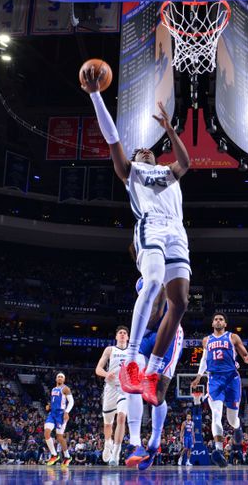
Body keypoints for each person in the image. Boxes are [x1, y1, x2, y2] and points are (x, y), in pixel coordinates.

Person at [82, 68, 191, 406]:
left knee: (181, 303)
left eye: (148, 149)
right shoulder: (132, 171)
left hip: (177, 230)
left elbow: (185, 162)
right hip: (151, 225)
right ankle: (131, 359)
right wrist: (95, 94)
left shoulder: (168, 171)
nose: (143, 149)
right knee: (155, 280)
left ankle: (153, 371)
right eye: (139, 149)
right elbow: (113, 138)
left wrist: (171, 130)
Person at [124, 275, 184, 471]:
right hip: (146, 331)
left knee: (156, 397)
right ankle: (135, 443)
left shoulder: (166, 275)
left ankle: (154, 441)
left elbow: (158, 311)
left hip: (169, 333)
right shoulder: (143, 276)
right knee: (132, 380)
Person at [191, 312, 248, 467]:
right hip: (214, 379)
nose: (218, 321)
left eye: (221, 319)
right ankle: (218, 451)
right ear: (212, 323)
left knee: (232, 420)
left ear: (225, 324)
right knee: (216, 414)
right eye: (216, 319)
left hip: (231, 378)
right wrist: (199, 376)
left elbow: (243, 352)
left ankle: (238, 427)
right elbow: (204, 358)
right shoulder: (206, 340)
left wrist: (246, 357)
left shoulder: (232, 337)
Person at [95, 325, 130, 465]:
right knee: (108, 423)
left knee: (121, 418)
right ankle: (107, 443)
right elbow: (98, 369)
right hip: (110, 388)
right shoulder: (110, 349)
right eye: (120, 332)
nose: (122, 334)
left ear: (128, 337)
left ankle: (116, 451)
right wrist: (106, 374)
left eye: (124, 333)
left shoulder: (132, 351)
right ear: (116, 337)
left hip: (124, 388)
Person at [44, 372, 74, 468]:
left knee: (59, 437)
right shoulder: (53, 389)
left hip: (61, 414)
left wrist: (66, 412)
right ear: (56, 379)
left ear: (64, 380)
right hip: (52, 414)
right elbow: (54, 400)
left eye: (62, 377)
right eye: (58, 377)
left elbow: (71, 401)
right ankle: (54, 455)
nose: (60, 378)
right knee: (46, 432)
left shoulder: (65, 388)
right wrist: (49, 405)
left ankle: (67, 456)